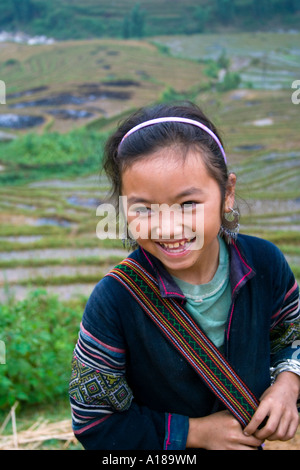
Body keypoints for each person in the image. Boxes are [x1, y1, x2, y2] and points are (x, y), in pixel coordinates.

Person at [69, 102, 300, 450]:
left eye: (188, 204)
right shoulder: (115, 301)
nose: (167, 226)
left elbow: (291, 338)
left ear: (228, 193)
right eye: (144, 208)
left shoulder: (264, 264)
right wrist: (196, 433)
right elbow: (95, 422)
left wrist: (288, 383)